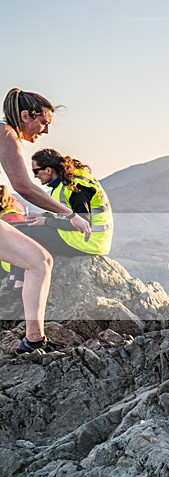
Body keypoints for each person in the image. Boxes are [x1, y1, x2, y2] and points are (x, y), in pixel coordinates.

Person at [0, 88, 91, 353]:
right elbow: (24, 186)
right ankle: (33, 340)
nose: (45, 132)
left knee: (39, 261)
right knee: (39, 261)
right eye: (44, 123)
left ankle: (34, 339)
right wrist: (69, 214)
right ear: (26, 115)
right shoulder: (6, 134)